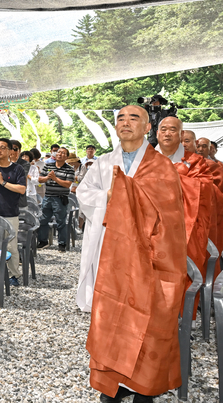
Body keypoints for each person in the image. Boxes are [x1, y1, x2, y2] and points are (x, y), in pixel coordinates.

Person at [76, 105, 186, 402]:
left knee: (145, 319)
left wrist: (127, 196)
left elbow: (172, 218)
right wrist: (110, 196)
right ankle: (111, 382)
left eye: (134, 118)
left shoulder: (161, 167)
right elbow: (83, 194)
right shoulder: (101, 163)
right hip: (108, 252)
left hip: (147, 257)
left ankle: (141, 386)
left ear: (147, 127)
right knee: (109, 318)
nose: (126, 123)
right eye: (120, 118)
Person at [156, 117, 213, 319]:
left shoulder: (196, 161)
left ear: (181, 136)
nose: (167, 133)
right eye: (163, 129)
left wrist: (172, 178)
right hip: (149, 227)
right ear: (156, 133)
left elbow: (206, 190)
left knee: (181, 273)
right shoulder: (143, 158)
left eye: (173, 129)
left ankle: (181, 320)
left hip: (182, 228)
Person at [0, 138, 26, 287]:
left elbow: (22, 189)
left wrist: (3, 183)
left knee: (10, 245)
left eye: (3, 147)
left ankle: (13, 274)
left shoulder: (17, 169)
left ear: (10, 151)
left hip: (10, 213)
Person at [37, 147, 75, 252]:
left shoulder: (69, 169)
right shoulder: (48, 166)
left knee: (61, 221)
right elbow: (40, 179)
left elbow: (67, 184)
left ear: (66, 157)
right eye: (58, 152)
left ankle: (62, 243)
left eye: (63, 153)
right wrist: (48, 178)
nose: (60, 154)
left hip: (60, 198)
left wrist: (55, 179)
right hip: (48, 196)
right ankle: (43, 241)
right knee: (43, 219)